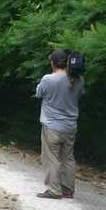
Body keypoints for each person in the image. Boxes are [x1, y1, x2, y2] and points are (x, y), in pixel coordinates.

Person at [35, 49, 83, 199]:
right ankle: (67, 190)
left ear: (53, 63)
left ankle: (54, 191)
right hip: (70, 127)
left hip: (52, 127)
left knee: (52, 158)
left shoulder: (48, 79)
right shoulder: (79, 80)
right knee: (68, 158)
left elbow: (39, 93)